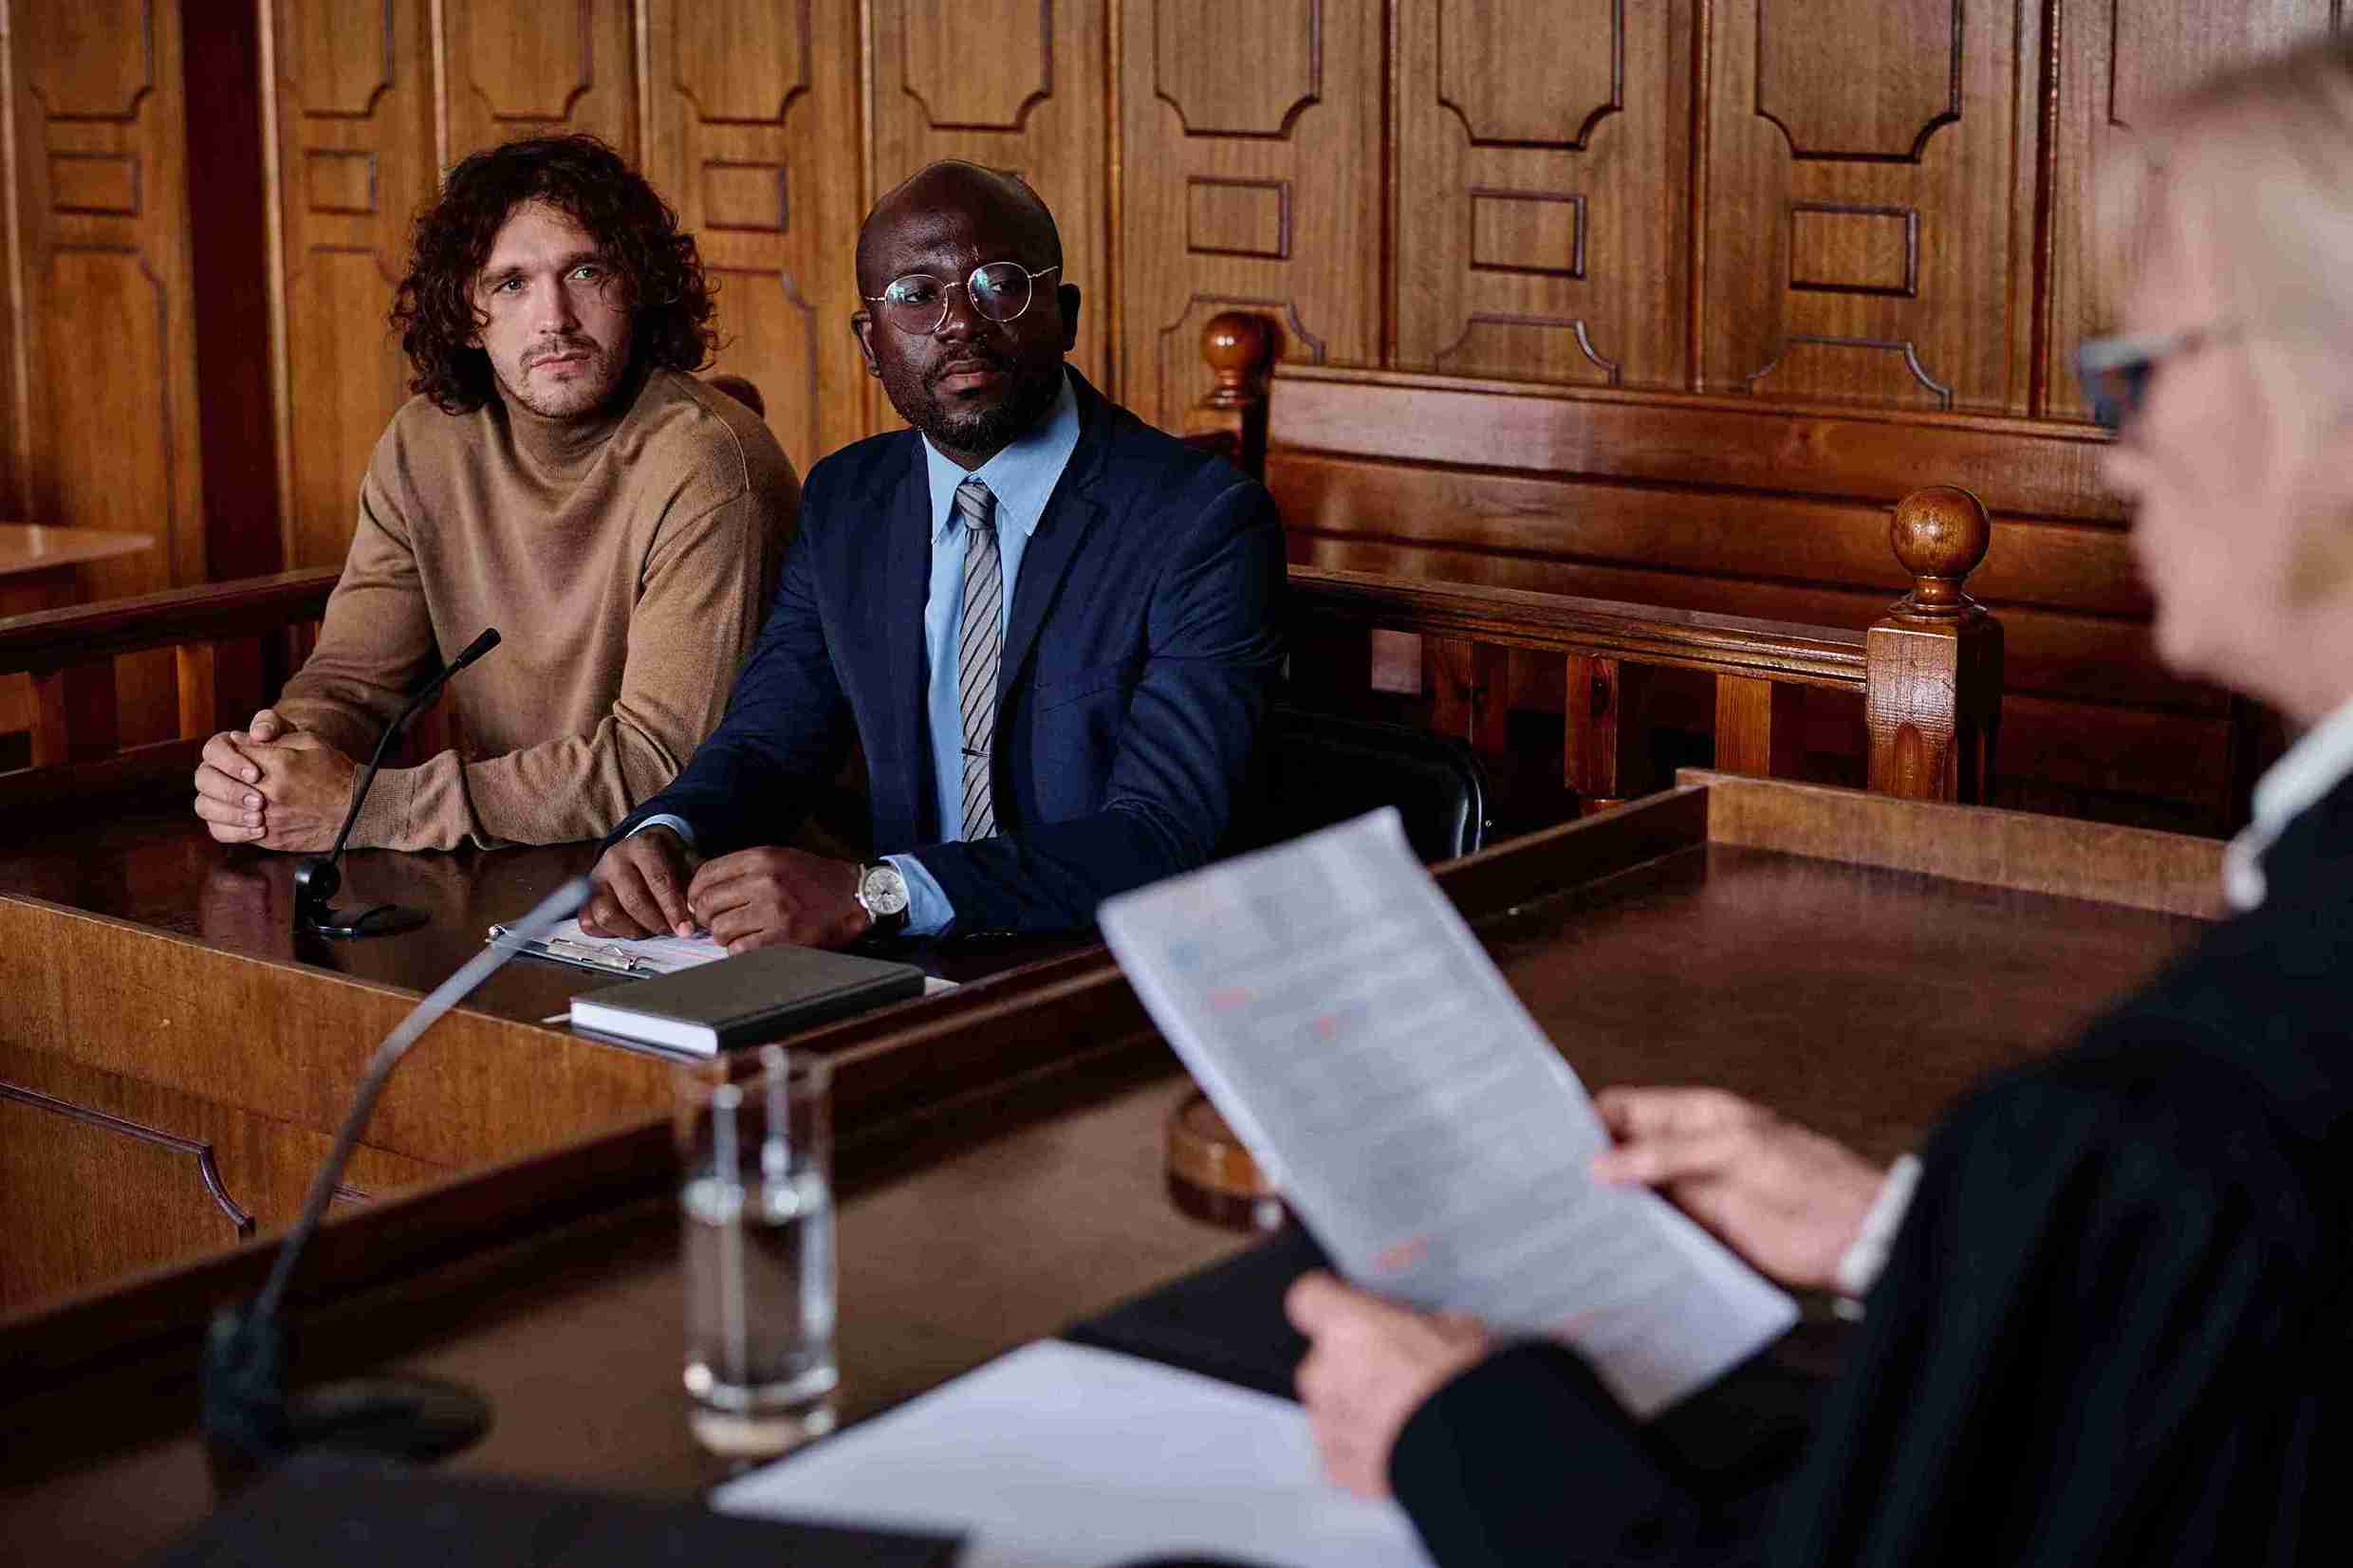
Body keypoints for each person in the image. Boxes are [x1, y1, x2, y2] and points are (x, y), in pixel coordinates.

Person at [1287, 36, 2353, 1567]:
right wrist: (1915, 1236)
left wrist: (1457, 1431)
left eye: (2142, 371)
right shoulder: (2137, 1165)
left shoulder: (2170, 1123)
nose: (2122, 459)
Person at [580, 161, 1283, 951]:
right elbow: (768, 742)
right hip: (903, 973)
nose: (960, 322)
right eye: (917, 296)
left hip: (1111, 974)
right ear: (871, 344)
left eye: (999, 285)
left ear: (1067, 313)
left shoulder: (1203, 523)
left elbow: (1163, 835)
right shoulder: (849, 501)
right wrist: (669, 833)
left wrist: (878, 892)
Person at [190, 134, 798, 852]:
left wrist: (365, 807)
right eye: (511, 283)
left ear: (636, 287)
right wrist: (273, 764)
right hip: (519, 863)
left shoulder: (709, 461)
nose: (554, 319)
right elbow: (354, 681)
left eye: (586, 271)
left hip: (708, 874)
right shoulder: (424, 445)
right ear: (467, 313)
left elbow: (659, 764)